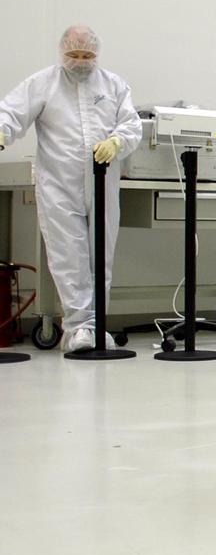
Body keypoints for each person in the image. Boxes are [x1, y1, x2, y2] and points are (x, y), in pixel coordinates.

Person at [0, 26, 142, 351]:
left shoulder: (114, 85)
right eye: (74, 55)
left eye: (87, 55)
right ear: (62, 52)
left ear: (97, 54)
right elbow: (10, 112)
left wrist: (117, 141)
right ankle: (78, 328)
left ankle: (98, 325)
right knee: (69, 255)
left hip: (103, 182)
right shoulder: (43, 83)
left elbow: (131, 123)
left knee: (100, 255)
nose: (80, 62)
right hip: (59, 185)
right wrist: (2, 131)